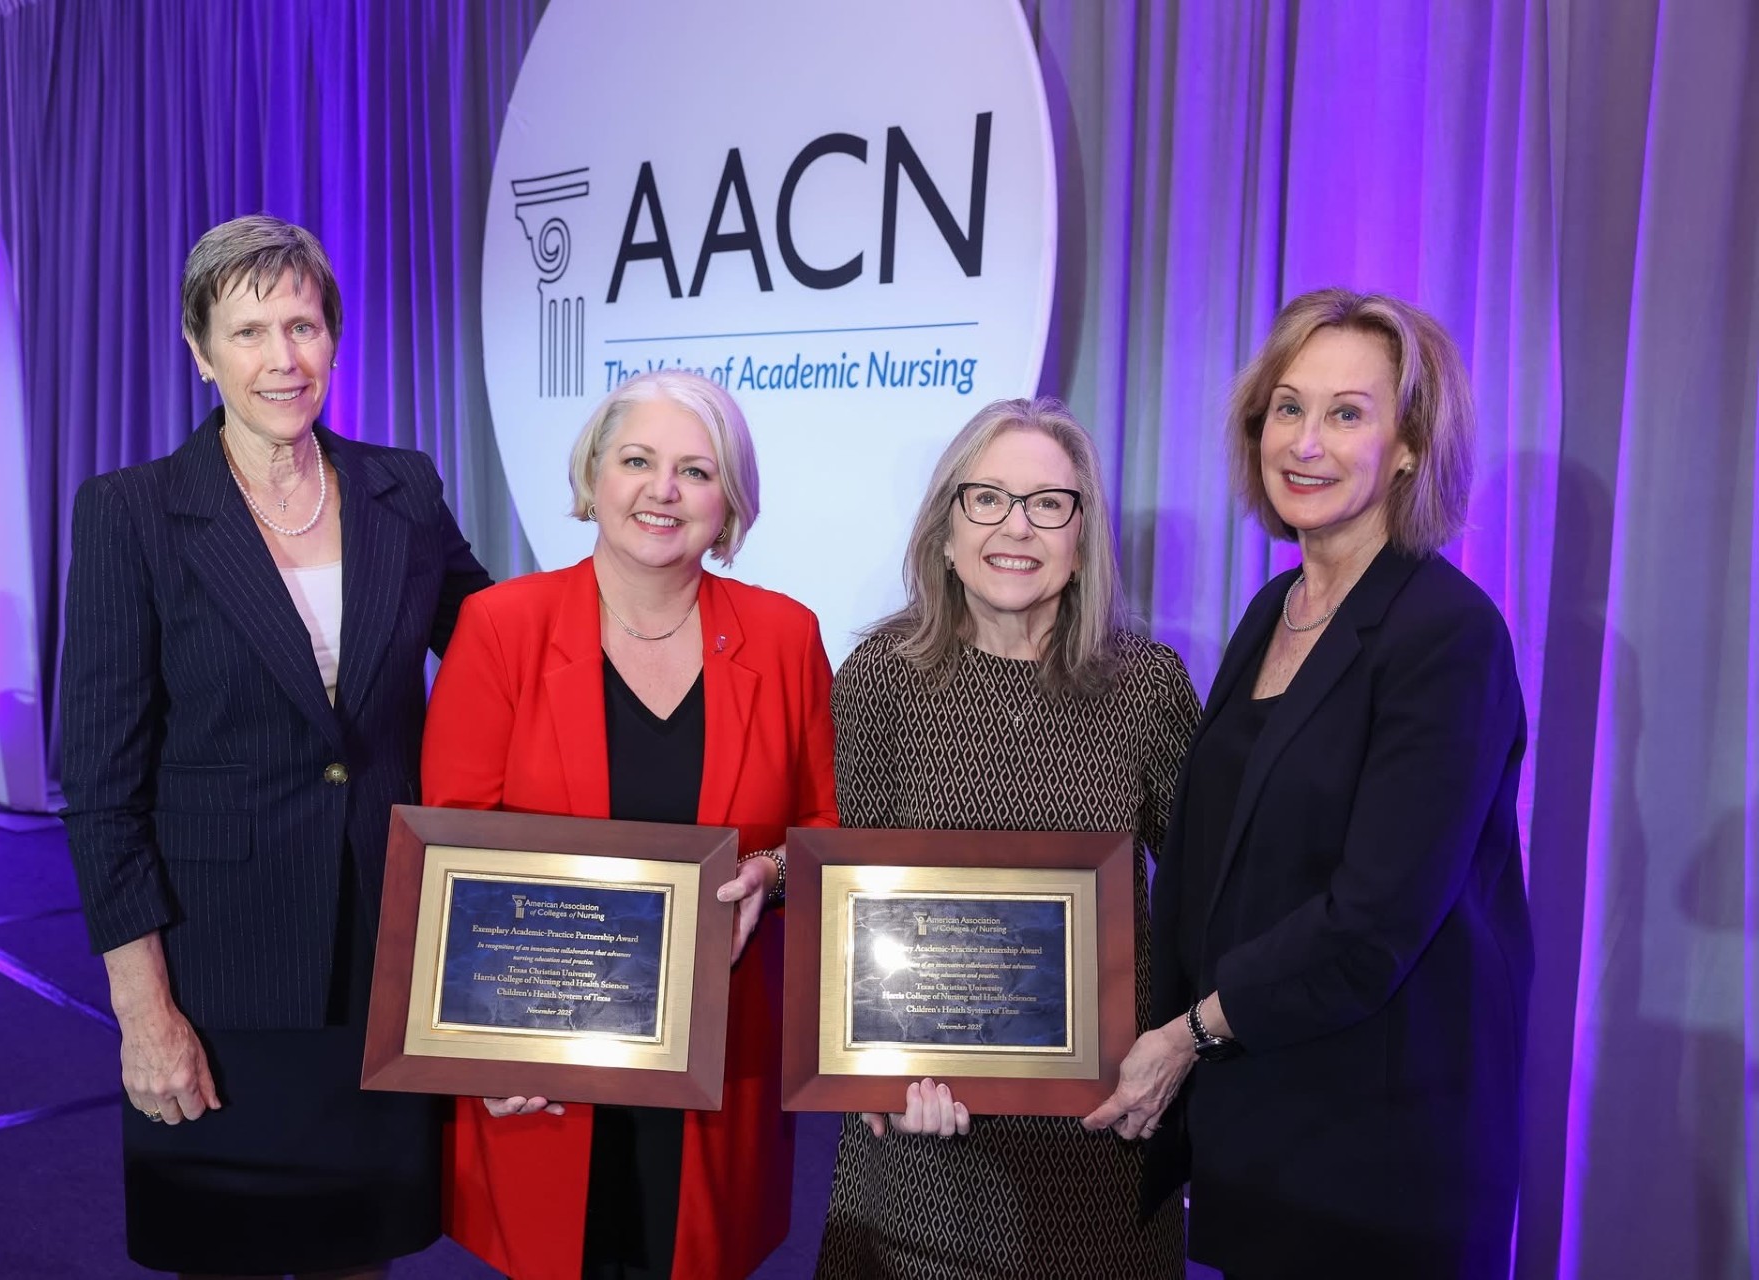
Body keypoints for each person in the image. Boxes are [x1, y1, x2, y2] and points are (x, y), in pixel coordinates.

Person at [59, 214, 493, 1278]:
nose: (282, 358)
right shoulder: (134, 513)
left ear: (333, 338)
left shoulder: (403, 489)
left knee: (359, 1252)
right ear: (201, 352)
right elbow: (103, 789)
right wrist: (143, 1011)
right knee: (230, 1256)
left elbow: (502, 648)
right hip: (219, 970)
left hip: (382, 947)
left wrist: (647, 586)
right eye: (248, 332)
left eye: (302, 325)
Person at [1087, 288, 1532, 1277]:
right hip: (1262, 1115)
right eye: (1288, 407)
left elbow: (1375, 919)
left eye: (1347, 413)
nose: (1306, 442)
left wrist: (1188, 1034)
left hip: (1380, 1144)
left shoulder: (1447, 635)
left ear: (1409, 446)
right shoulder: (1276, 607)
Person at [421, 370, 836, 1280]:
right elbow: (451, 856)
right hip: (541, 1054)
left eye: (697, 471)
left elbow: (820, 834)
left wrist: (769, 873)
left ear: (729, 502)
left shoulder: (786, 637)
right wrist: (482, 1047)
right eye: (638, 461)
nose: (663, 490)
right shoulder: (501, 627)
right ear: (592, 476)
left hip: (718, 1056)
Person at [813, 397, 1198, 1279]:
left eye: (1048, 504)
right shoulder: (880, 679)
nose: (1016, 527)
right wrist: (869, 1072)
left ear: (1082, 539)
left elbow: (1204, 896)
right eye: (987, 499)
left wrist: (1178, 1047)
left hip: (1098, 1135)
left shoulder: (1146, 686)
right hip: (920, 1135)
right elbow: (847, 904)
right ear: (946, 531)